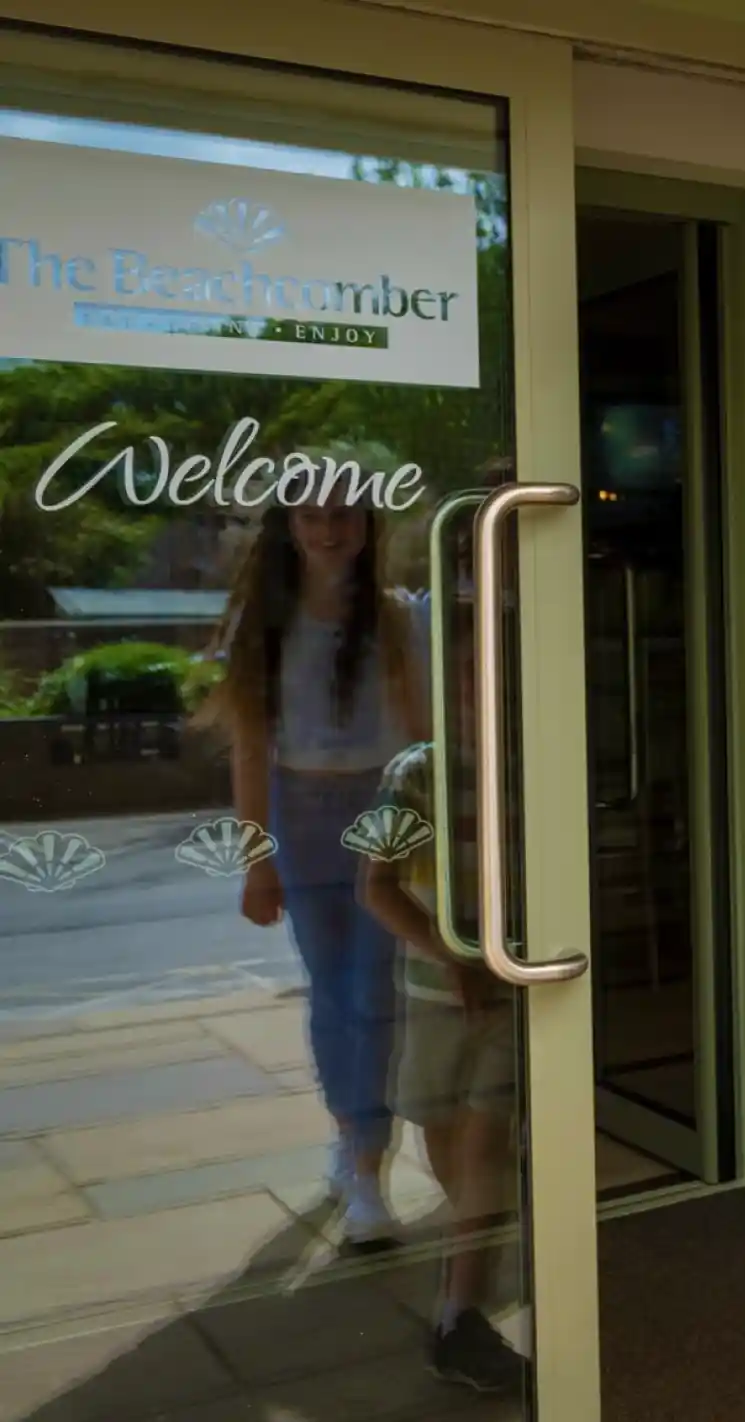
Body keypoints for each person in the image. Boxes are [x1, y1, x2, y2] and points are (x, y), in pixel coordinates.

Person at [201, 488, 428, 1252]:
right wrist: (255, 860)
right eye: (311, 516)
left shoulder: (401, 618)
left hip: (383, 812)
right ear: (289, 528)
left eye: (344, 515)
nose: (329, 530)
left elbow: (424, 736)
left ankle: (368, 1166)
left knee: (377, 994)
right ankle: (350, 1142)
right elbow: (251, 749)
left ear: (368, 526)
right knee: (333, 992)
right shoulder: (263, 624)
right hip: (300, 818)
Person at [358, 735, 530, 1394]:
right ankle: (472, 1278)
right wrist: (449, 954)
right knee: (453, 1145)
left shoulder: (532, 755)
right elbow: (377, 885)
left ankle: (462, 1314)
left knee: (485, 1147)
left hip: (514, 991)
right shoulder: (417, 772)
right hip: (437, 994)